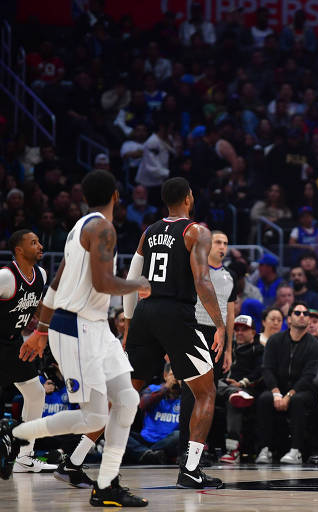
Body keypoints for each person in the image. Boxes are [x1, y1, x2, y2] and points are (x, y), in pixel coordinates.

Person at [11, 170, 150, 507]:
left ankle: (106, 486)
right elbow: (104, 284)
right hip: (76, 327)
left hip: (95, 326)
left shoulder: (79, 228)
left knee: (128, 400)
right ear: (117, 196)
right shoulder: (101, 227)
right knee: (95, 417)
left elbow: (55, 284)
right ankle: (14, 435)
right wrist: (139, 285)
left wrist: (41, 331)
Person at [123, 177, 225, 490]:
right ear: (188, 198)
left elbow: (131, 278)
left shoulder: (148, 232)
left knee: (127, 393)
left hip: (144, 312)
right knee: (206, 392)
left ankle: (77, 458)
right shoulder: (197, 231)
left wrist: (129, 324)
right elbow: (203, 282)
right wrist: (219, 323)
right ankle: (191, 468)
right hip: (176, 314)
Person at [177, 229, 235, 465]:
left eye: (225, 243)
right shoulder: (195, 270)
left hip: (218, 337)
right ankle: (185, 451)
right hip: (194, 329)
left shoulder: (230, 277)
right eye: (218, 242)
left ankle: (200, 449)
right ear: (208, 245)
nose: (222, 246)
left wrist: (229, 348)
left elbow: (230, 314)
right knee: (191, 394)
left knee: (209, 395)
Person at [0, 230, 56, 473]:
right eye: (34, 242)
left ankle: (24, 456)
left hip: (13, 344)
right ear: (19, 250)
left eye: (39, 240)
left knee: (35, 393)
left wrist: (41, 331)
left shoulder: (41, 274)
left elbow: (38, 305)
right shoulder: (5, 276)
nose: (40, 245)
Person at [255, 302, 318, 465]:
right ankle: (265, 449)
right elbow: (267, 369)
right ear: (289, 319)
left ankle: (296, 450)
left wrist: (289, 395)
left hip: (303, 390)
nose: (302, 316)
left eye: (305, 314)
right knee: (264, 398)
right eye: (297, 313)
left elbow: (309, 376)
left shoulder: (314, 345)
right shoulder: (275, 340)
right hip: (279, 388)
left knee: (298, 400)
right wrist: (277, 393)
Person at [218, 315, 264, 464]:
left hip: (247, 389)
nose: (239, 332)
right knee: (207, 390)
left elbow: (261, 371)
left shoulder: (258, 349)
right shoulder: (226, 347)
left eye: (244, 329)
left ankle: (233, 450)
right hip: (224, 386)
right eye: (236, 329)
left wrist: (241, 384)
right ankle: (201, 446)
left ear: (253, 332)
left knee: (235, 401)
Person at [124, 364, 181, 465]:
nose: (176, 378)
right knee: (120, 433)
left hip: (168, 441)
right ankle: (150, 454)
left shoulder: (187, 396)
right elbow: (142, 405)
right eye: (173, 374)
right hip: (145, 439)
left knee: (179, 435)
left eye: (179, 375)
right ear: (165, 375)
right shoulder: (154, 389)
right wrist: (166, 388)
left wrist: (184, 388)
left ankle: (145, 453)